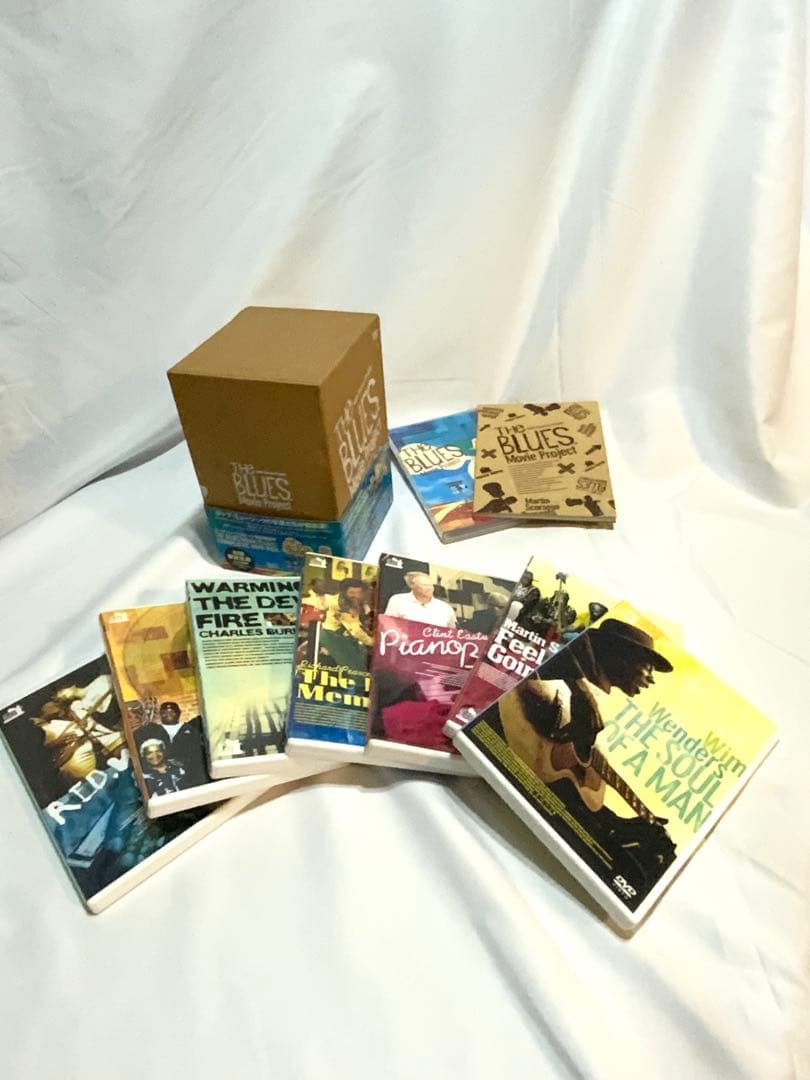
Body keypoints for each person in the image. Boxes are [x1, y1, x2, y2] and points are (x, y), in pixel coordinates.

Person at [134, 700, 208, 788]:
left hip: (191, 774)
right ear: (160, 715)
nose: (168, 714)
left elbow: (197, 751)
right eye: (164, 712)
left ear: (179, 712)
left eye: (172, 712)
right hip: (166, 776)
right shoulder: (153, 730)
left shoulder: (191, 729)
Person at [384, 571, 457, 627]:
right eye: (424, 585)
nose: (429, 588)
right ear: (412, 585)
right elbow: (388, 625)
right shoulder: (398, 600)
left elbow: (453, 632)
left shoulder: (445, 608)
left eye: (431, 585)